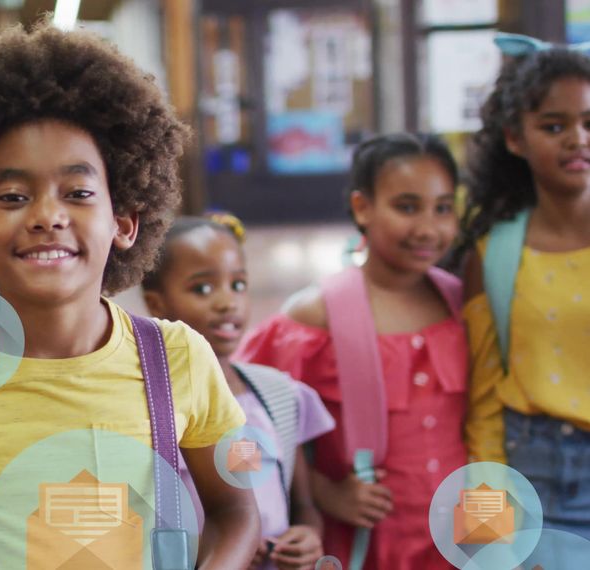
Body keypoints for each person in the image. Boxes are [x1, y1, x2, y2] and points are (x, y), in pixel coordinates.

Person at [0, 23, 260, 570]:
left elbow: (236, 511)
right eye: (14, 195)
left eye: (78, 192)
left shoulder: (179, 359)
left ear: (123, 221)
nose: (48, 216)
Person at [237, 133, 467, 569]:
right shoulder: (316, 315)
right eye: (407, 206)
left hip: (456, 538)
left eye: (443, 208)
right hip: (366, 543)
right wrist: (323, 492)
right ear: (363, 207)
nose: (428, 228)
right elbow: (250, 417)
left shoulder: (459, 302)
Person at [141, 213, 336, 569]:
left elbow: (303, 506)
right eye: (202, 288)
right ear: (157, 304)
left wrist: (307, 535)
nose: (227, 301)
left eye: (238, 285)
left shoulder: (278, 395)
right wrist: (219, 548)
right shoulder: (152, 407)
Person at [458, 37, 590, 537]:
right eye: (554, 126)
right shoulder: (494, 255)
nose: (577, 138)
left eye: (588, 123)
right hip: (534, 478)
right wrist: (487, 519)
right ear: (515, 138)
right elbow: (485, 403)